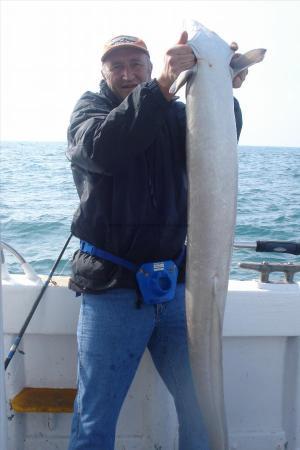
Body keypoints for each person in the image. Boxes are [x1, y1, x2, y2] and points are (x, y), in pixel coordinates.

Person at [66, 31, 244, 450]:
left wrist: (221, 88)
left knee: (201, 411)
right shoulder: (89, 112)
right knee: (94, 420)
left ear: (149, 65)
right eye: (118, 65)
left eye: (136, 64)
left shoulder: (176, 114)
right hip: (112, 291)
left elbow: (219, 143)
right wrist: (160, 87)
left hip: (177, 293)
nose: (128, 73)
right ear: (104, 72)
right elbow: (102, 148)